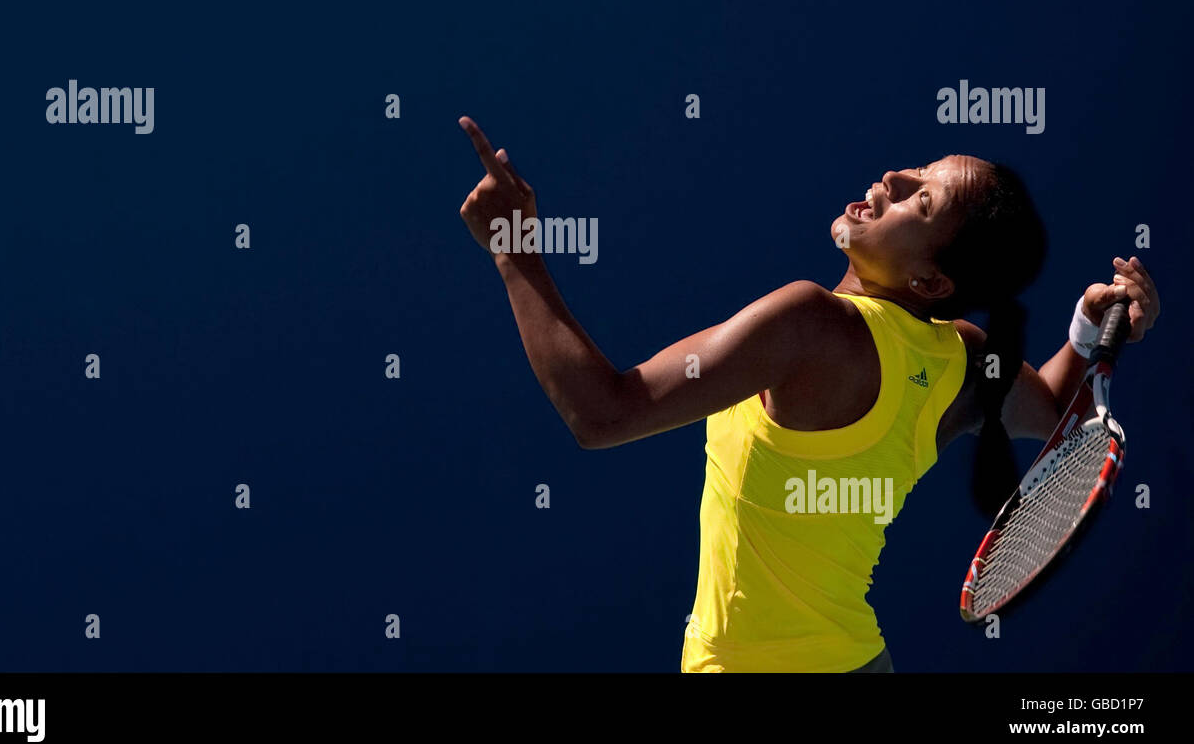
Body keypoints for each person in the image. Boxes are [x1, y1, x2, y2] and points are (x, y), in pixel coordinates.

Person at [455, 116, 1159, 672]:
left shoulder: (811, 322)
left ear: (931, 284)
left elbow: (602, 414)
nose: (893, 175)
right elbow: (1058, 415)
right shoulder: (961, 360)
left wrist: (513, 253)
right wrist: (1097, 336)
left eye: (921, 197)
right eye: (915, 170)